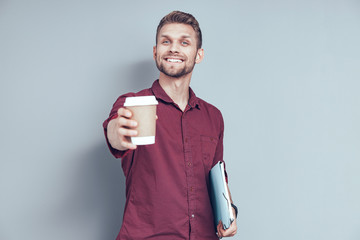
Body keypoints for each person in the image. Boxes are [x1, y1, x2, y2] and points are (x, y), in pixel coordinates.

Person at [103, 11, 237, 240]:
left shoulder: (213, 116)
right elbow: (115, 133)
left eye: (184, 42)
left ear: (198, 54)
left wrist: (230, 212)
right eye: (166, 41)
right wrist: (118, 132)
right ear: (156, 52)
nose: (174, 48)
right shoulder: (133, 105)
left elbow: (218, 178)